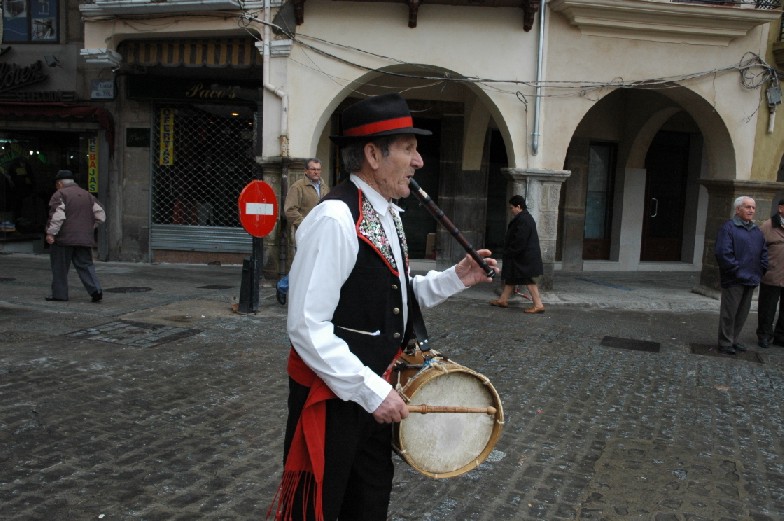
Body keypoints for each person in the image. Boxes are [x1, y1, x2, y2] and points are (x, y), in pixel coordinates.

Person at [269, 93, 498, 521]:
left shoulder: (388, 214)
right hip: (335, 398)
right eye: (408, 149)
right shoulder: (334, 219)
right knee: (318, 506)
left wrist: (457, 277)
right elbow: (305, 326)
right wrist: (372, 392)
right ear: (373, 154)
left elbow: (392, 293)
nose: (419, 161)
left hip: (372, 393)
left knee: (370, 502)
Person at [715, 196, 767, 355]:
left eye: (753, 207)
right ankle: (725, 342)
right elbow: (723, 253)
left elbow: (763, 252)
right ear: (738, 209)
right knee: (729, 313)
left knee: (742, 313)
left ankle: (734, 339)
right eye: (747, 207)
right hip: (734, 279)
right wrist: (735, 270)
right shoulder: (728, 228)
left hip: (751, 278)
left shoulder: (756, 230)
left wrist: (761, 269)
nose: (751, 210)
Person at [44, 170, 106, 303]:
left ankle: (59, 295)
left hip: (63, 239)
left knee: (60, 267)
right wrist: (88, 228)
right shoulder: (87, 195)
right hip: (84, 238)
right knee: (86, 265)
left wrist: (51, 233)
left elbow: (57, 217)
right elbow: (100, 216)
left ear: (60, 183)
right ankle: (96, 290)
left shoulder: (59, 194)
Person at [489, 195, 545, 314]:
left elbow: (520, 239)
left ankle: (538, 304)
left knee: (527, 279)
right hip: (522, 256)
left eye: (512, 208)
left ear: (518, 207)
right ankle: (503, 300)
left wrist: (509, 251)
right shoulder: (524, 218)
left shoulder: (524, 219)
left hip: (523, 257)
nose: (511, 210)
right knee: (511, 277)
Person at [283, 158, 330, 252]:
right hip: (304, 233)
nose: (316, 172)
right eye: (313, 169)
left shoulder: (325, 187)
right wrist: (305, 223)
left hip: (321, 233)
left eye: (318, 169)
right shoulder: (298, 187)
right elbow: (289, 210)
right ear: (306, 171)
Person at [756, 199, 784, 348]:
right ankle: (764, 335)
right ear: (781, 208)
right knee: (767, 308)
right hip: (772, 274)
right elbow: (758, 248)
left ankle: (781, 336)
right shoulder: (768, 226)